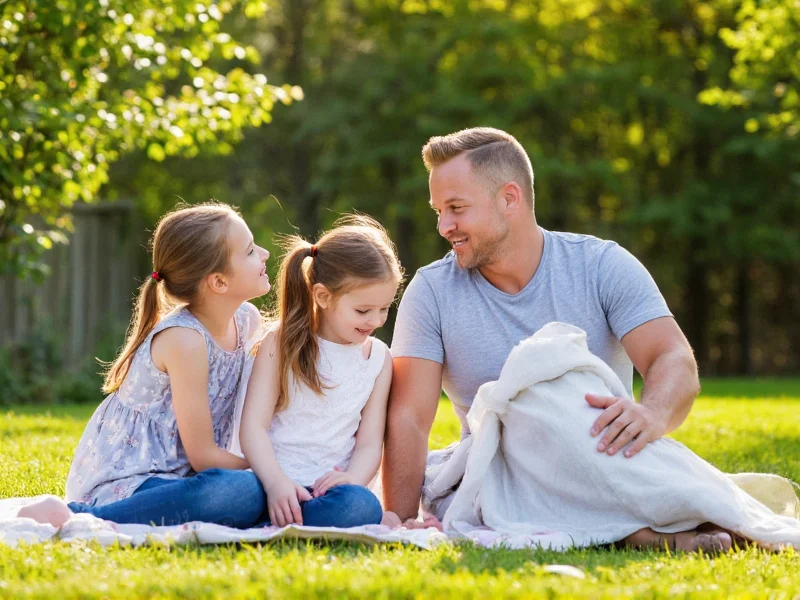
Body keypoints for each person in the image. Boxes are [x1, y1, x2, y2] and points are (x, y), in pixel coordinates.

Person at [383, 127, 732, 551]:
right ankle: (643, 535)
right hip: (502, 477)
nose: (443, 226)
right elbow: (409, 418)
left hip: (598, 458)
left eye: (456, 208)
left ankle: (661, 526)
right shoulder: (432, 292)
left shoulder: (600, 265)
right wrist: (399, 523)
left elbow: (672, 356)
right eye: (438, 210)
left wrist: (652, 414)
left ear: (509, 198)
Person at [18, 203, 271, 528]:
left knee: (248, 492)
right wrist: (269, 466)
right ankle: (80, 517)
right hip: (131, 481)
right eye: (250, 251)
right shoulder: (185, 340)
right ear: (219, 282)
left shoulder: (246, 320)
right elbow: (204, 456)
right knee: (242, 492)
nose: (263, 254)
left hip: (180, 479)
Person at [239, 216, 400, 529]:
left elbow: (369, 443)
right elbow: (253, 428)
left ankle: (279, 520)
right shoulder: (282, 342)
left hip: (328, 494)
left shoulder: (379, 358)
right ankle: (275, 511)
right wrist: (276, 485)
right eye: (363, 310)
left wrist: (352, 478)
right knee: (228, 491)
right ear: (323, 296)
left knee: (360, 505)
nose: (376, 321)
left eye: (385, 308)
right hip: (268, 483)